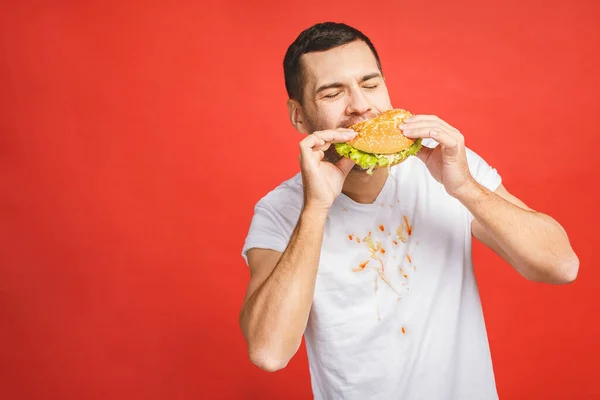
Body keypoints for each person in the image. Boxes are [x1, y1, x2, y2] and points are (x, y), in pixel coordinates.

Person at [238, 22, 579, 400]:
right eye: (333, 93)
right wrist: (316, 208)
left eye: (370, 85)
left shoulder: (446, 168)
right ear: (299, 116)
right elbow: (269, 353)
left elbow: (561, 266)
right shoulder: (280, 211)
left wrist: (464, 187)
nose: (361, 105)